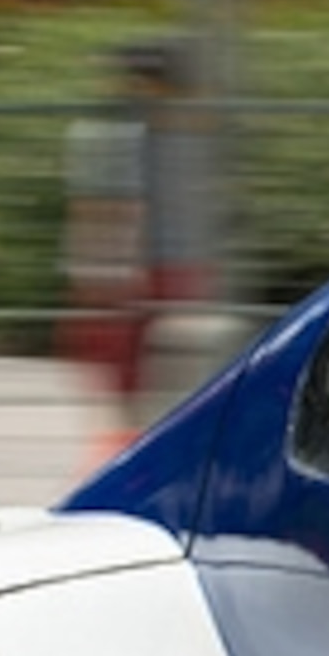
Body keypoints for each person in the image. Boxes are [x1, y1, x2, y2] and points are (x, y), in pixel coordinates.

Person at [59, 39, 212, 425]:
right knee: (127, 374)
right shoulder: (111, 136)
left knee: (166, 369)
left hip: (171, 263)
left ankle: (141, 434)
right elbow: (98, 206)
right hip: (138, 266)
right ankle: (132, 434)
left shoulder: (185, 137)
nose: (138, 91)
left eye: (148, 81)